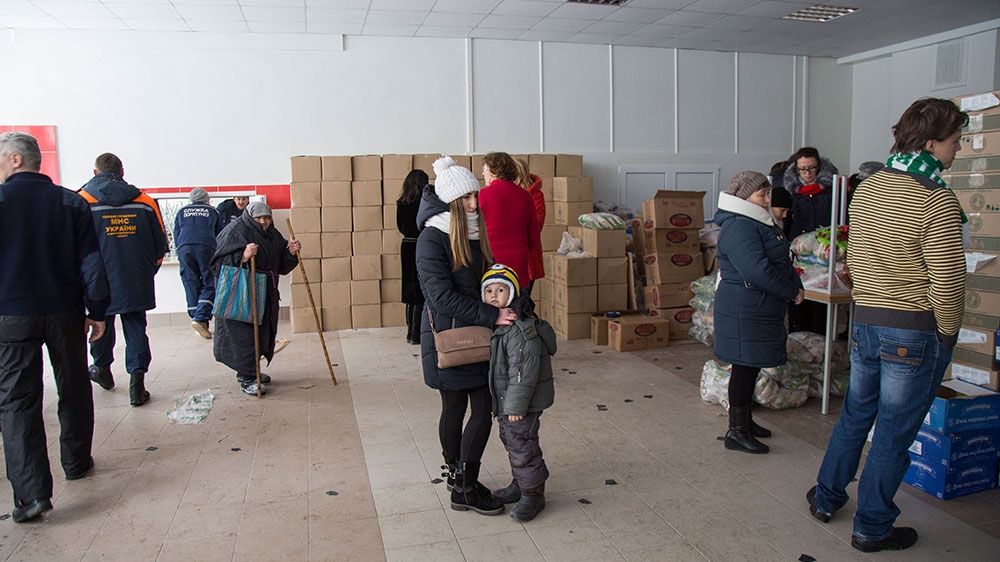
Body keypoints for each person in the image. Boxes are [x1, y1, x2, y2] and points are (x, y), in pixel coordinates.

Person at [807, 98, 967, 553]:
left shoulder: (870, 187)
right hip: (913, 331)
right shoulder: (936, 198)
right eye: (955, 141)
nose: (958, 149)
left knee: (856, 414)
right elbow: (948, 281)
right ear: (932, 143)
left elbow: (855, 258)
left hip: (868, 322)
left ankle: (826, 497)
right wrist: (948, 333)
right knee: (894, 432)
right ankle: (872, 526)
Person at [0, 132, 110, 523]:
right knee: (74, 385)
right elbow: (91, 264)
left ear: (15, 159)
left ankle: (31, 496)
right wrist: (97, 311)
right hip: (65, 312)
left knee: (17, 400)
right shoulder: (70, 202)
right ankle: (76, 460)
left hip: (10, 316)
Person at [416, 156, 516, 516]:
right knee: (462, 408)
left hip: (476, 336)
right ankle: (464, 486)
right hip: (451, 339)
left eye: (476, 196)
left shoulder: (474, 232)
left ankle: (460, 480)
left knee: (475, 409)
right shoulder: (431, 238)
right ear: (451, 203)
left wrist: (512, 296)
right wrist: (492, 314)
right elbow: (440, 296)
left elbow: (489, 280)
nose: (475, 204)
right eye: (467, 199)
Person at [713, 171, 804, 455]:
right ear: (744, 197)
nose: (767, 200)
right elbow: (756, 270)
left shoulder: (756, 221)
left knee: (750, 365)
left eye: (767, 194)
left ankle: (745, 421)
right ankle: (736, 431)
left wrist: (795, 284)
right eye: (761, 195)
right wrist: (790, 291)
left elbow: (782, 260)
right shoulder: (739, 226)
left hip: (755, 304)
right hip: (744, 307)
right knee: (743, 366)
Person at [79, 153, 168, 407]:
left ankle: (102, 371)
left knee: (100, 325)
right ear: (122, 172)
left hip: (97, 281)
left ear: (95, 173)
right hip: (136, 279)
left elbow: (72, 244)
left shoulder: (82, 200)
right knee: (136, 328)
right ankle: (137, 387)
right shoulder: (145, 201)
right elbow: (160, 243)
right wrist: (147, 271)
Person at [482, 264, 556, 522]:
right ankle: (521, 481)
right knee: (513, 441)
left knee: (522, 445)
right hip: (510, 402)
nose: (494, 295)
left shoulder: (519, 330)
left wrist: (515, 407)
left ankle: (532, 493)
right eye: (489, 290)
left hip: (521, 404)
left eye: (500, 290)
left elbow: (523, 374)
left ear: (512, 294)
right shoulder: (503, 326)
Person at [211, 202, 300, 396]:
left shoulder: (273, 235)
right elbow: (217, 264)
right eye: (258, 218)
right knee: (244, 335)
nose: (263, 222)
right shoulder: (235, 231)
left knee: (263, 333)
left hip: (266, 292)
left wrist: (290, 252)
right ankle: (248, 377)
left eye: (266, 218)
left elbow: (281, 266)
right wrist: (242, 257)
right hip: (242, 294)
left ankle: (252, 371)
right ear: (250, 218)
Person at [783, 147, 839, 335]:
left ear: (819, 167)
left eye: (812, 168)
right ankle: (799, 336)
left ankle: (821, 339)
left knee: (821, 297)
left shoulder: (832, 190)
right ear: (796, 169)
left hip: (824, 252)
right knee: (799, 295)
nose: (807, 173)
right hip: (798, 250)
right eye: (802, 169)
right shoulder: (790, 191)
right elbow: (786, 221)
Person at [479, 152, 542, 289]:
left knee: (494, 298)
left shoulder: (483, 195)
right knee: (518, 297)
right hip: (519, 260)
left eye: (485, 169)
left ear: (494, 171)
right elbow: (533, 236)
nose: (483, 173)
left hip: (491, 259)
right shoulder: (526, 196)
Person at [174, 187, 223, 339]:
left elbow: (176, 234)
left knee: (190, 282)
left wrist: (181, 250)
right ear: (207, 200)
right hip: (206, 247)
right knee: (210, 280)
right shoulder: (213, 211)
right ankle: (200, 317)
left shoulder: (181, 212)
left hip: (185, 248)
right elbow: (221, 234)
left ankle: (197, 317)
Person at [397, 168, 429, 345]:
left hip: (407, 245)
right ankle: (416, 333)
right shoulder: (424, 202)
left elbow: (400, 227)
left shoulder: (402, 203)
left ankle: (410, 331)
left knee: (409, 291)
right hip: (421, 244)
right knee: (420, 290)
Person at [513, 158, 545, 296]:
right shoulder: (507, 194)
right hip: (507, 256)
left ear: (519, 176)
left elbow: (535, 227)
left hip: (526, 257)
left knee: (522, 299)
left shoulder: (536, 196)